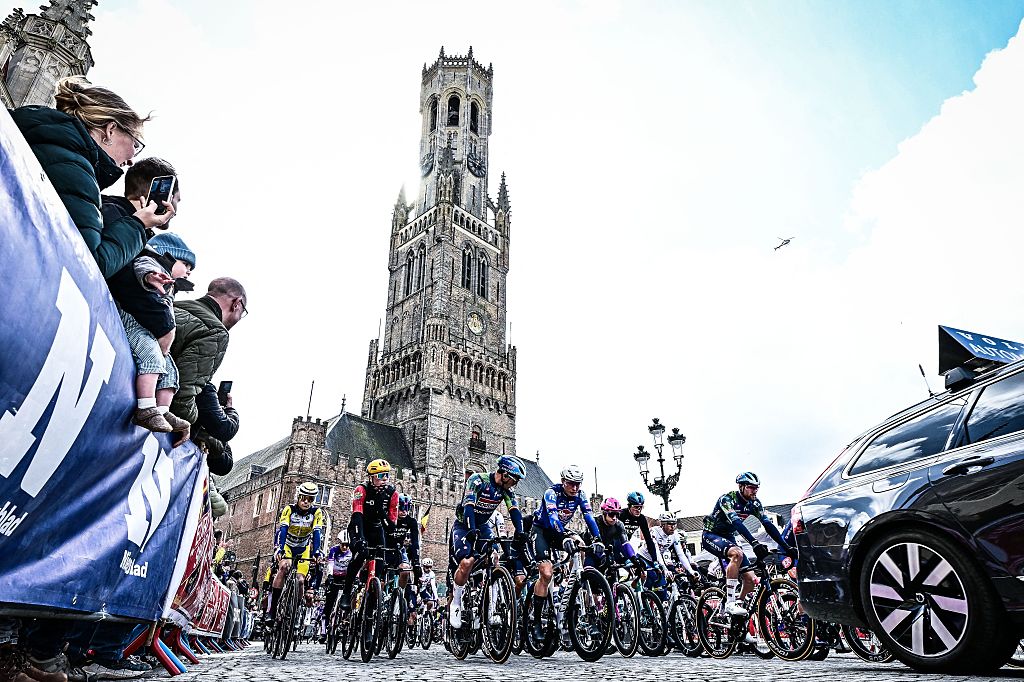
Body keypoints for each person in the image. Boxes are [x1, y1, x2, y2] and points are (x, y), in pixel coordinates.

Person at [10, 76, 173, 277]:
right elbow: (86, 268)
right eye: (136, 145)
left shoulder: (32, 135)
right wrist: (138, 225)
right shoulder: (75, 170)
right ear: (110, 130)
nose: (132, 160)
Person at [116, 231, 195, 437]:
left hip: (152, 332)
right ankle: (145, 407)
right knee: (152, 358)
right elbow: (143, 267)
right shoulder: (152, 264)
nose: (188, 272)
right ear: (168, 255)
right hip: (134, 324)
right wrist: (150, 276)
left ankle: (163, 410)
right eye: (186, 265)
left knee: (170, 369)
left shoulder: (170, 286)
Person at [701, 472, 797, 616]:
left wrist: (786, 547)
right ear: (741, 487)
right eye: (751, 488)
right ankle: (730, 603)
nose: (755, 491)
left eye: (756, 488)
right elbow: (737, 523)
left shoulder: (755, 503)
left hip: (728, 537)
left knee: (751, 580)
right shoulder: (727, 499)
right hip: (711, 535)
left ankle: (737, 616)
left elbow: (768, 525)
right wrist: (754, 543)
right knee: (737, 554)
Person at [448, 456, 526, 628]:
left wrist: (520, 532)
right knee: (467, 562)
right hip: (464, 524)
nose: (515, 484)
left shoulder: (506, 490)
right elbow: (468, 507)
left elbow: (514, 510)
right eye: (514, 480)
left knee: (495, 558)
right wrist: (471, 529)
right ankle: (456, 602)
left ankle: (487, 605)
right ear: (504, 474)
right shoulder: (478, 480)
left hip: (483, 526)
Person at [529, 465, 600, 641]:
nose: (575, 488)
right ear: (563, 482)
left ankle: (571, 580)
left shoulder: (580, 495)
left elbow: (589, 517)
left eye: (578, 484)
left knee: (581, 545)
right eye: (571, 484)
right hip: (542, 531)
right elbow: (553, 518)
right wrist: (563, 537)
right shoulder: (551, 493)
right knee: (546, 573)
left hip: (560, 530)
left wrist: (598, 538)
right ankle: (536, 621)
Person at [169, 277, 247, 425]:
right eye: (242, 312)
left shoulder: (171, 306)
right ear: (237, 303)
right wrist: (191, 424)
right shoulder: (216, 332)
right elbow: (182, 396)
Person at [342, 460, 399, 610]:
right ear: (371, 477)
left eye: (387, 475)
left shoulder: (392, 493)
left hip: (377, 529)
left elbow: (391, 525)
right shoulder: (362, 489)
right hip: (360, 527)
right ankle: (346, 593)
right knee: (360, 555)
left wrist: (381, 509)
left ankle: (370, 610)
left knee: (378, 568)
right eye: (380, 475)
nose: (385, 478)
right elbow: (357, 515)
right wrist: (359, 539)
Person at [269, 482, 324, 620]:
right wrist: (280, 549)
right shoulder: (289, 509)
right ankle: (273, 609)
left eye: (310, 499)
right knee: (284, 567)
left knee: (300, 580)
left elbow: (317, 533)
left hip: (303, 547)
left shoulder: (316, 513)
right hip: (287, 544)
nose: (306, 502)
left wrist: (316, 552)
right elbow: (283, 529)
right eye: (303, 498)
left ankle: (295, 612)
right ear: (298, 497)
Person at [635, 512, 700, 601]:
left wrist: (691, 571)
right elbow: (656, 551)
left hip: (657, 561)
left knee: (662, 589)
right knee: (651, 578)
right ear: (663, 524)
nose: (673, 526)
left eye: (674, 524)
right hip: (644, 558)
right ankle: (642, 603)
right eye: (670, 524)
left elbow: (680, 554)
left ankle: (660, 610)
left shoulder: (675, 535)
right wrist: (665, 569)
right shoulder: (654, 531)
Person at [385, 494, 421, 626]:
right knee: (381, 580)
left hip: (399, 550)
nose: (404, 511)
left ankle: (397, 599)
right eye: (401, 508)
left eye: (407, 508)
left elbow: (415, 543)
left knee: (405, 571)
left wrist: (417, 563)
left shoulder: (411, 522)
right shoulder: (388, 517)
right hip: (385, 548)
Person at [320, 530, 354, 642]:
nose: (344, 547)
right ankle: (323, 630)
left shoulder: (352, 552)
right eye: (342, 544)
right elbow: (330, 564)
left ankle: (344, 621)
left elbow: (355, 566)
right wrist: (329, 575)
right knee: (330, 601)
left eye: (347, 545)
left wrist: (356, 577)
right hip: (334, 576)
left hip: (346, 577)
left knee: (349, 598)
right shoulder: (334, 550)